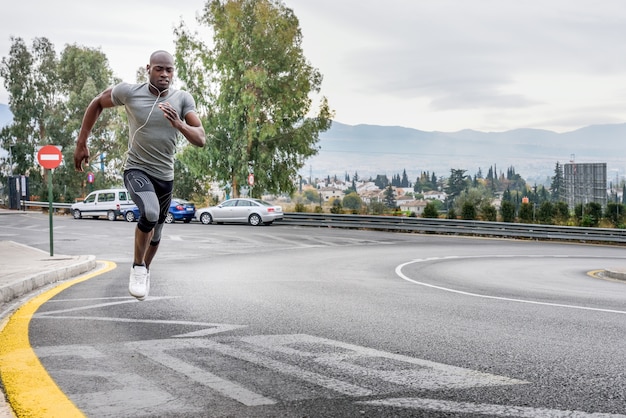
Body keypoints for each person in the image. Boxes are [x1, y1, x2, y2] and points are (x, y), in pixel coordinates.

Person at [74, 50, 206, 301]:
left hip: (165, 176)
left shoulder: (182, 99)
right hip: (136, 169)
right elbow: (97, 103)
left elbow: (201, 138)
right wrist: (82, 142)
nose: (165, 74)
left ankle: (145, 269)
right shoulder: (129, 92)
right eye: (159, 69)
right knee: (151, 212)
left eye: (169, 70)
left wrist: (179, 124)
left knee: (156, 233)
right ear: (148, 69)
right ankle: (137, 266)